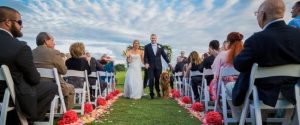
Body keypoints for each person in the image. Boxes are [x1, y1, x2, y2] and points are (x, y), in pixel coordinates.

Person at [233, 0, 300, 123]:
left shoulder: (256, 39)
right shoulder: (298, 34)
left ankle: (239, 120)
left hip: (262, 93)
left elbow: (239, 65)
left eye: (256, 13)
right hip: (293, 91)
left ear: (262, 15)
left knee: (229, 87)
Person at [0, 6, 57, 124]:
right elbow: (34, 79)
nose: (22, 26)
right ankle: (28, 120)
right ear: (7, 22)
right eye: (19, 22)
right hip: (8, 94)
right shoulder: (20, 47)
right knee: (51, 86)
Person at [32, 32, 75, 110]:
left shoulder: (31, 52)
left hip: (34, 86)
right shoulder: (54, 53)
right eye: (52, 40)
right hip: (53, 86)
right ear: (46, 41)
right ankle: (68, 114)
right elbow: (63, 71)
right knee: (71, 88)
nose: (54, 43)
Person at [211, 32, 244, 118]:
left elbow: (215, 72)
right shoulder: (245, 53)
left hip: (226, 86)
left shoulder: (222, 54)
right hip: (244, 84)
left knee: (215, 84)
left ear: (229, 42)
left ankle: (233, 115)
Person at [144, 34, 171, 99]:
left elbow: (164, 55)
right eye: (152, 38)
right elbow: (145, 56)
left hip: (158, 66)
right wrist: (146, 63)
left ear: (156, 39)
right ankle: (151, 94)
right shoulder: (147, 46)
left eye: (154, 38)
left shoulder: (160, 46)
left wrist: (169, 62)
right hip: (150, 66)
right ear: (150, 39)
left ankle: (158, 92)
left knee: (157, 80)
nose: (153, 39)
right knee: (151, 80)